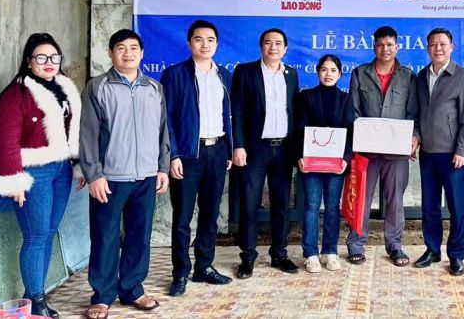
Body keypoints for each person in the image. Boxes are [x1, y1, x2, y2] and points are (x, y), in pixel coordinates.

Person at [0, 33, 85, 318]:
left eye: (54, 57)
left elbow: (74, 131)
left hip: (61, 170)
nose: (49, 63)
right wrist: (13, 178)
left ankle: (34, 295)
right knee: (35, 235)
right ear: (28, 61)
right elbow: (5, 139)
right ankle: (36, 300)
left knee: (49, 232)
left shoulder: (64, 89)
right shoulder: (15, 94)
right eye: (41, 57)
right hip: (33, 172)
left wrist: (79, 164)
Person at [80, 29, 170, 319]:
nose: (128, 53)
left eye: (134, 48)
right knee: (105, 236)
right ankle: (102, 295)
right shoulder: (98, 86)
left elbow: (163, 131)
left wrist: (162, 167)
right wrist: (93, 174)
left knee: (139, 235)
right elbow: (88, 135)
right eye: (121, 48)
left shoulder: (154, 88)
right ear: (110, 53)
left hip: (145, 176)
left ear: (142, 54)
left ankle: (132, 289)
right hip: (110, 177)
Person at [161, 20, 233, 297]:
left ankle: (204, 266)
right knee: (182, 218)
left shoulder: (224, 75)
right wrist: (174, 155)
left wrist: (229, 147)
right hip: (188, 155)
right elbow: (167, 119)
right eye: (199, 39)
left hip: (217, 152)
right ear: (190, 43)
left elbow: (229, 114)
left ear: (217, 43)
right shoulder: (175, 74)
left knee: (210, 215)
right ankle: (180, 273)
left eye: (210, 40)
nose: (205, 45)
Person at [345, 26, 420, 267]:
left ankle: (395, 246)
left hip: (397, 151)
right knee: (362, 199)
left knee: (395, 200)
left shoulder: (408, 76)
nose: (385, 49)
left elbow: (413, 112)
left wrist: (415, 137)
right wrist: (358, 142)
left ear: (397, 47)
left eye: (390, 45)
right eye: (380, 45)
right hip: (366, 151)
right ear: (373, 47)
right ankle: (356, 244)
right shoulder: (359, 73)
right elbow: (353, 111)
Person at [231, 28, 300, 278]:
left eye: (278, 43)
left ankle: (279, 254)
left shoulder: (291, 75)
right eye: (268, 43)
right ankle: (248, 257)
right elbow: (236, 111)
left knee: (281, 204)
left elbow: (292, 110)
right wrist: (238, 145)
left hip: (283, 149)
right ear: (261, 46)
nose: (273, 47)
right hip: (254, 149)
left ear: (285, 48)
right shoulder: (246, 72)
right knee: (250, 203)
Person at [413, 28, 464, 276]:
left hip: (453, 155)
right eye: (433, 44)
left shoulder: (462, 76)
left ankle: (457, 254)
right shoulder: (421, 76)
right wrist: (416, 137)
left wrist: (463, 149)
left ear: (451, 47)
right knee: (429, 205)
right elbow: (417, 113)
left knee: (457, 207)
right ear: (427, 48)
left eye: (442, 44)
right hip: (427, 153)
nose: (437, 48)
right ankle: (432, 249)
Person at [294, 54, 354, 273]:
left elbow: (350, 134)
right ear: (317, 72)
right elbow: (299, 129)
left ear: (339, 74)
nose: (328, 74)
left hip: (336, 164)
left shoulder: (346, 99)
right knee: (311, 206)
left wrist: (346, 159)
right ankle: (310, 253)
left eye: (333, 70)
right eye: (324, 69)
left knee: (331, 207)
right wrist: (299, 155)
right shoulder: (306, 96)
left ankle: (330, 251)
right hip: (310, 163)